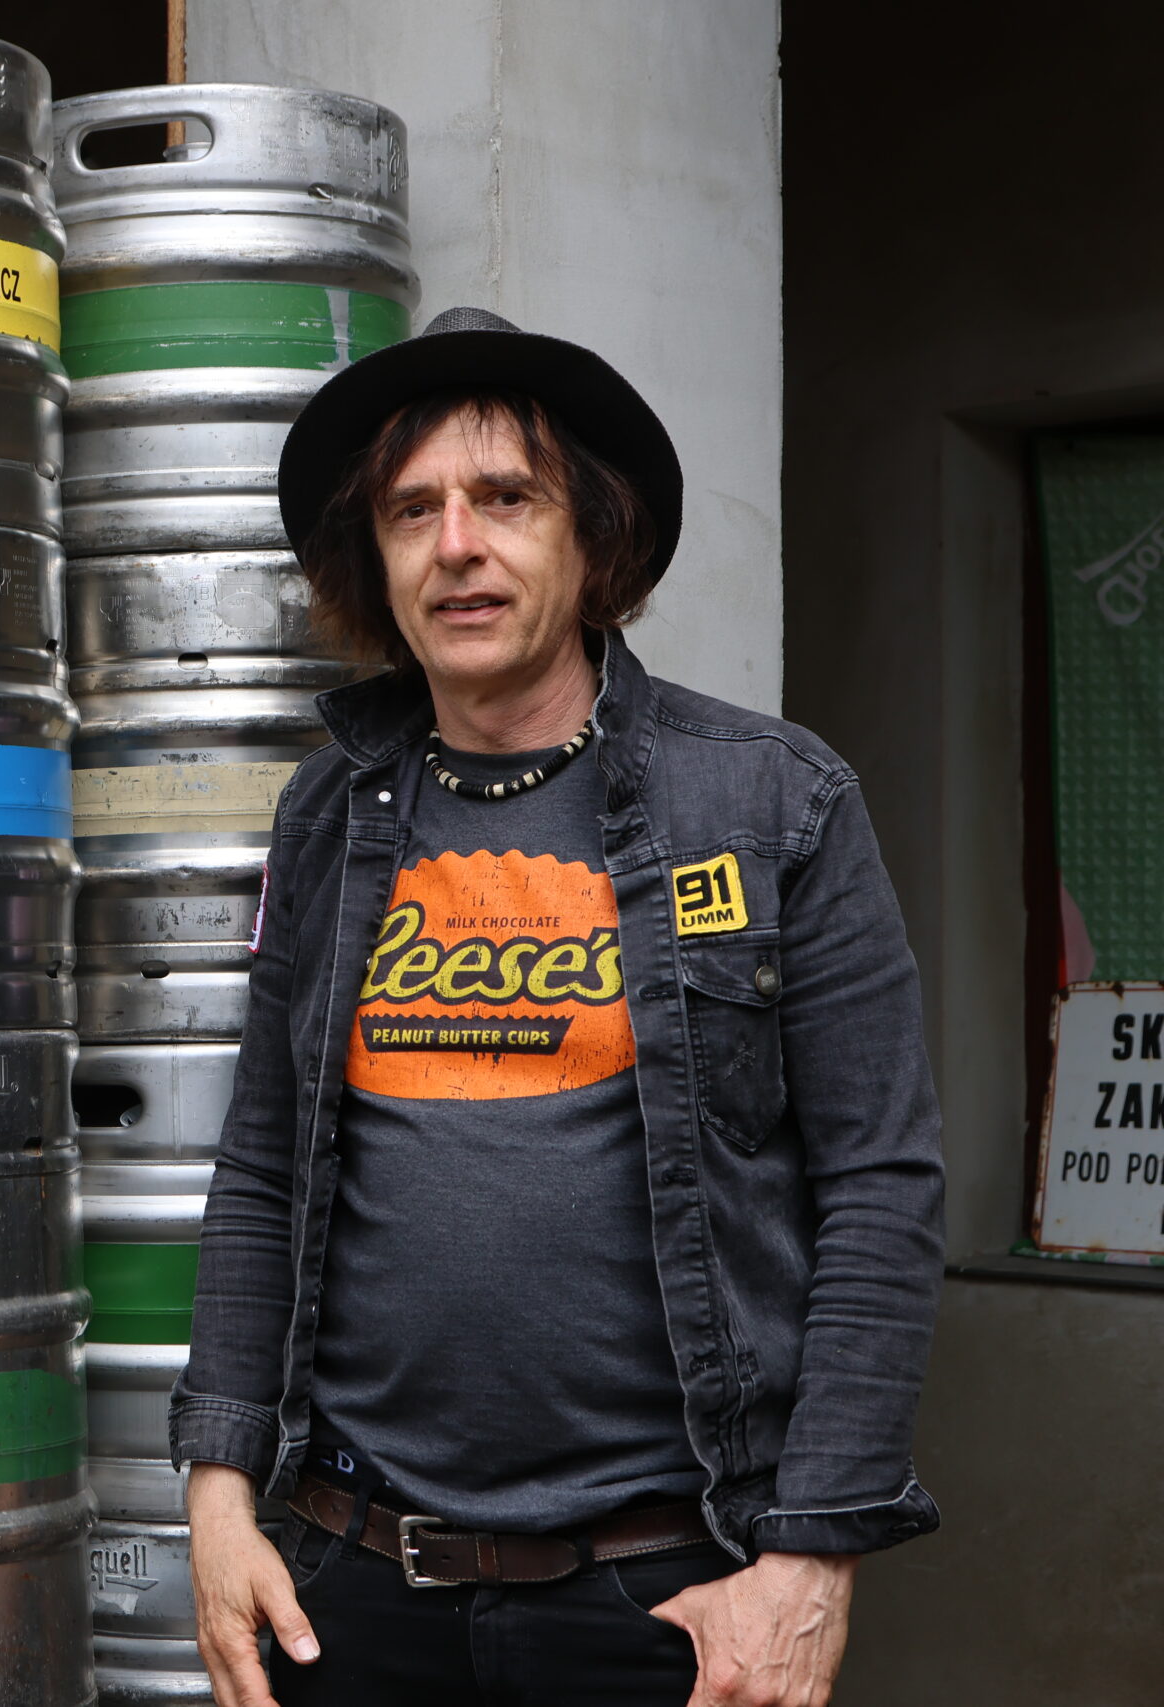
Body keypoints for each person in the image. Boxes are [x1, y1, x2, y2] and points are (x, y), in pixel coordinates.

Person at [174, 307, 945, 1707]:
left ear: (596, 539)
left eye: (506, 498)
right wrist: (220, 1497)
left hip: (666, 1596)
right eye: (413, 510)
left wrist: (810, 1561)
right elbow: (261, 1165)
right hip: (352, 1582)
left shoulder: (772, 801)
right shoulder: (329, 810)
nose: (456, 545)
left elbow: (881, 1190)